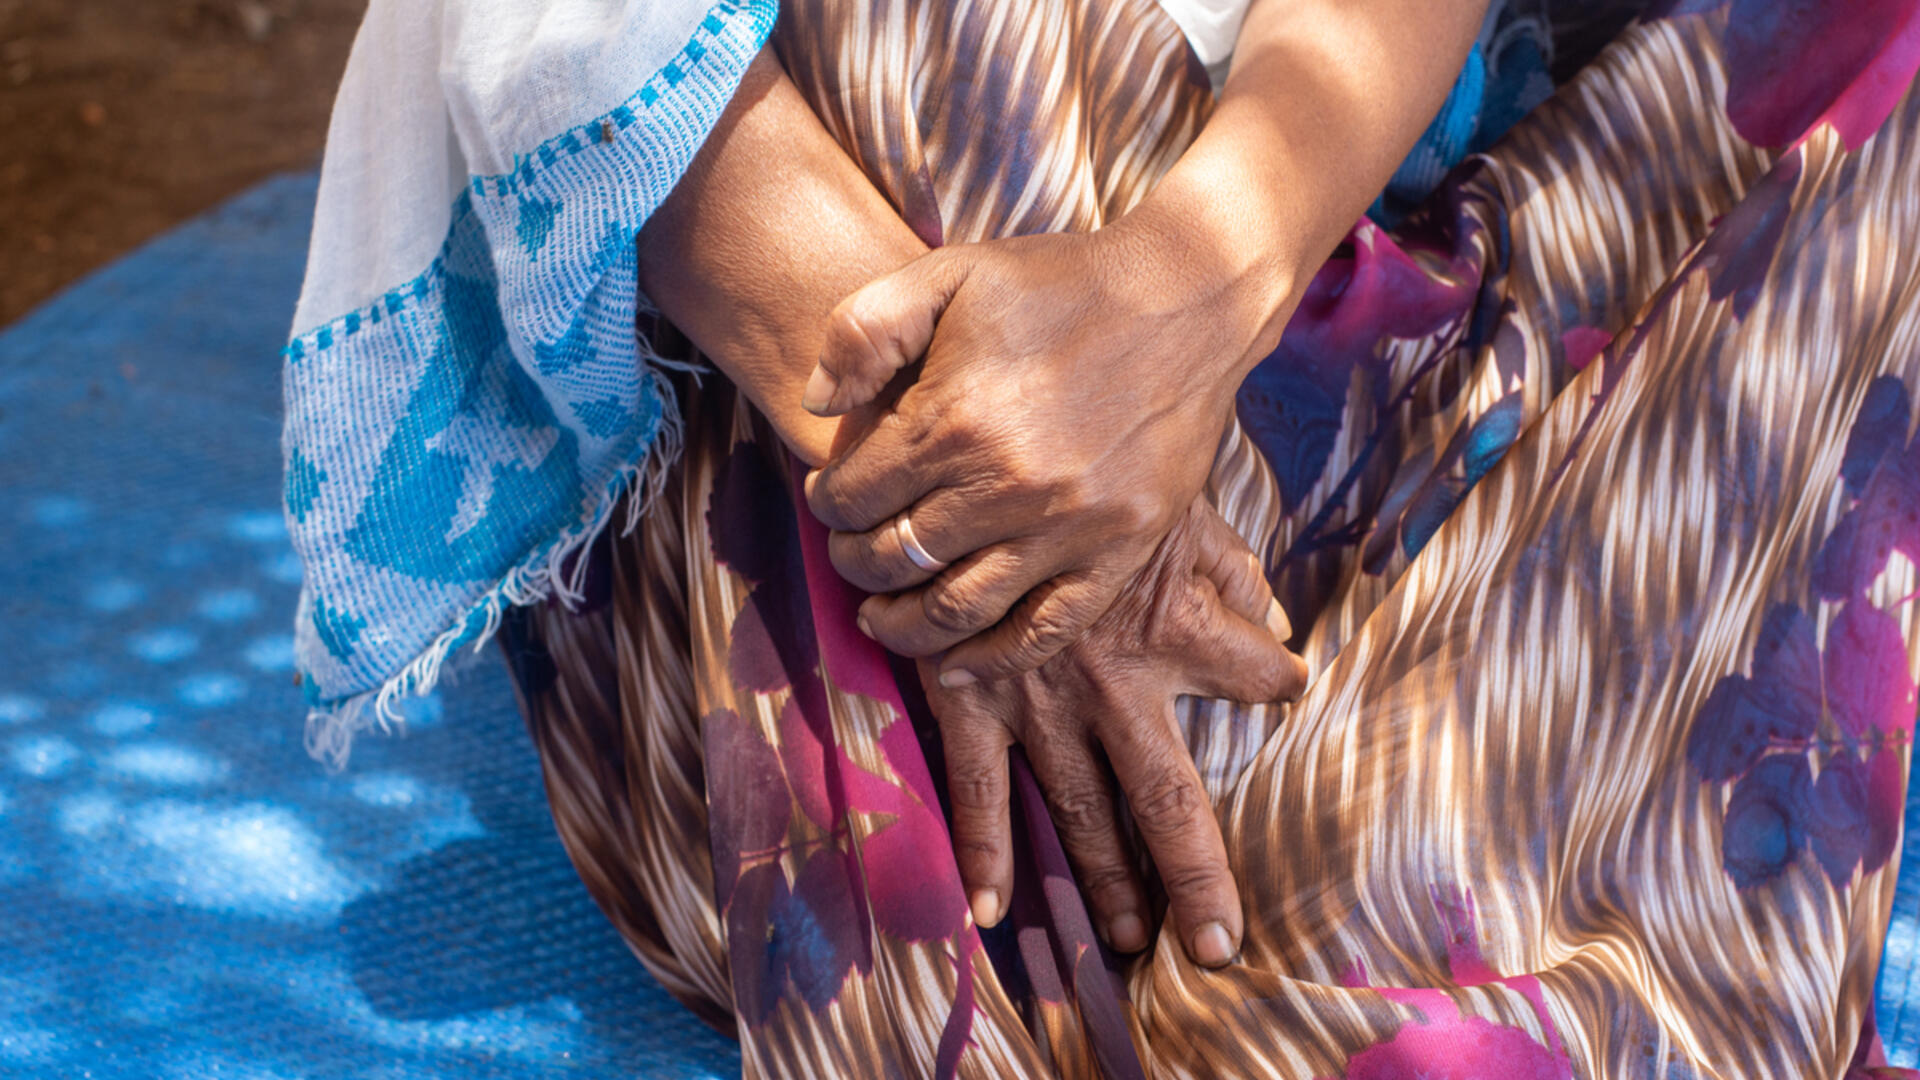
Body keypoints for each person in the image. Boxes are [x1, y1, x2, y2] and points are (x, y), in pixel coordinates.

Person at [285, 0, 1920, 1074]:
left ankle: (1403, 869)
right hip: (855, 603)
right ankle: (1217, 905)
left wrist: (1176, 306)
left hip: (1311, 364)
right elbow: (552, 40)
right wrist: (1006, 495)